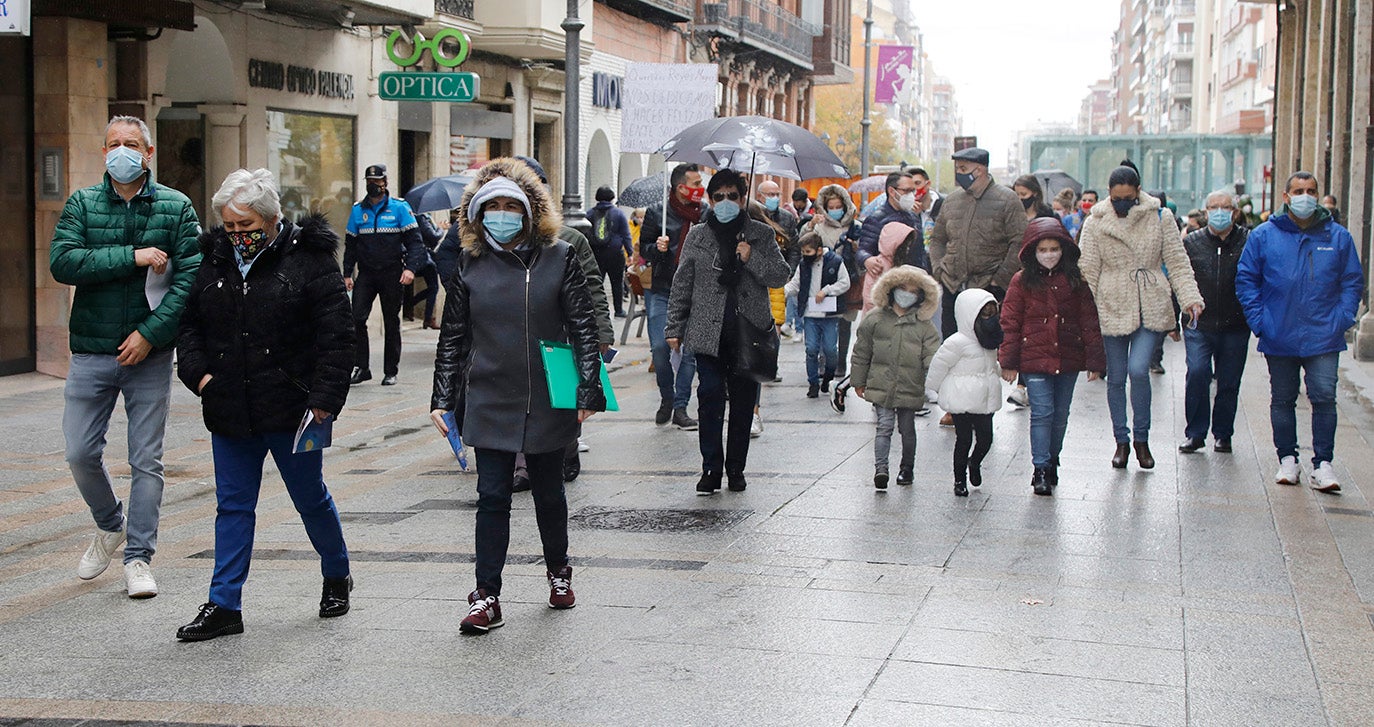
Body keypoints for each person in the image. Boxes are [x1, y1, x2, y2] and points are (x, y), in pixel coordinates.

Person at [173, 169, 354, 641]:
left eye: (247, 227)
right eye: (230, 228)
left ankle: (337, 573)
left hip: (292, 406)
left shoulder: (311, 261)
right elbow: (189, 324)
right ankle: (223, 604)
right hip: (230, 402)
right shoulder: (212, 258)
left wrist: (325, 399)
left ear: (273, 219)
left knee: (309, 497)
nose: (237, 237)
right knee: (233, 506)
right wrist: (201, 376)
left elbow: (336, 336)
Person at [429, 158, 606, 634]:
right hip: (489, 393)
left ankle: (559, 574)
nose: (503, 214)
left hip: (549, 393)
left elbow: (584, 325)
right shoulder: (470, 264)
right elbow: (453, 337)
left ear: (530, 212)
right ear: (478, 213)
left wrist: (588, 387)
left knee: (549, 493)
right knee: (492, 497)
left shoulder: (559, 256)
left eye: (512, 206)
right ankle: (487, 595)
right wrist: (441, 398)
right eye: (494, 207)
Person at [49, 115, 201, 599]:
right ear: (103, 152)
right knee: (79, 452)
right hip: (92, 349)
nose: (122, 151)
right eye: (113, 143)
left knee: (146, 461)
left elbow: (188, 281)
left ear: (148, 153)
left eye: (131, 144)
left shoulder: (176, 207)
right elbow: (64, 261)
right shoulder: (82, 203)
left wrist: (150, 336)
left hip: (149, 355)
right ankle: (109, 524)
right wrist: (133, 255)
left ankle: (139, 557)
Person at [1236, 171, 1363, 493]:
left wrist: (1344, 317)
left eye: (1310, 190)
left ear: (1318, 195)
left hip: (1324, 334)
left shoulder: (1337, 237)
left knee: (1323, 398)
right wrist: (1260, 320)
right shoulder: (1265, 235)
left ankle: (1322, 463)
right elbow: (1247, 279)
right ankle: (1287, 458)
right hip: (1279, 332)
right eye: (1298, 191)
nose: (1305, 196)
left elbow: (1352, 282)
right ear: (1286, 195)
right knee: (1282, 399)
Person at [665, 169, 789, 495]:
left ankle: (736, 469)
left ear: (743, 198)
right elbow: (682, 285)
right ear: (710, 199)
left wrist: (751, 257)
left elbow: (779, 275)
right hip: (708, 334)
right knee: (709, 399)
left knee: (743, 404)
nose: (725, 202)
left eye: (732, 196)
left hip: (749, 334)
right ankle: (710, 468)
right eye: (718, 196)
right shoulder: (697, 235)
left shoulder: (759, 233)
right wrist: (674, 327)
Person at [1079, 166, 1204, 470]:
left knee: (1139, 370)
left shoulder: (1160, 217)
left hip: (1150, 301)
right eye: (1115, 197)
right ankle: (1121, 440)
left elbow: (1176, 261)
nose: (1121, 202)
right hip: (1111, 302)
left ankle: (1142, 439)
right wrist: (1084, 315)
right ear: (1109, 194)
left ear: (1137, 192)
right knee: (1116, 376)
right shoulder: (1096, 222)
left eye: (1127, 197)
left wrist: (1189, 298)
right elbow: (1088, 270)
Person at [510, 155, 614, 484]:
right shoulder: (494, 242)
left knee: (562, 398)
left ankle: (566, 448)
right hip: (512, 336)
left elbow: (592, 287)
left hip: (559, 334)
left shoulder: (571, 239)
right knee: (518, 398)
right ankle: (521, 466)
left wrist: (601, 331)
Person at [998, 218, 1106, 496]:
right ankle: (1041, 468)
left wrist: (1095, 361)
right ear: (1033, 251)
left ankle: (1052, 458)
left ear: (1064, 249)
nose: (1049, 254)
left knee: (1060, 415)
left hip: (1068, 357)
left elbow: (1089, 321)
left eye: (1054, 248)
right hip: (1033, 358)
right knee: (1042, 413)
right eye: (1043, 249)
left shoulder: (1076, 281)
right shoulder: (1021, 281)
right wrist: (1008, 361)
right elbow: (1010, 321)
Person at [928, 147, 1027, 426]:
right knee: (952, 345)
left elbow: (1018, 242)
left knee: (984, 349)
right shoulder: (952, 202)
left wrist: (999, 282)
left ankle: (981, 407)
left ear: (979, 170)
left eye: (963, 169)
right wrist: (938, 267)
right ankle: (954, 408)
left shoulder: (1007, 200)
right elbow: (937, 239)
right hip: (952, 285)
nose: (959, 175)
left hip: (987, 289)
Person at [850, 265, 942, 490]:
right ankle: (881, 469)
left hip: (910, 385)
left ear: (920, 295)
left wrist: (936, 379)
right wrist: (858, 380)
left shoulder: (924, 326)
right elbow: (862, 352)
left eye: (913, 290)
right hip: (881, 383)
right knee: (883, 427)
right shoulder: (874, 319)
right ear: (890, 289)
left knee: (907, 429)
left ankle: (906, 468)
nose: (907, 293)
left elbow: (934, 355)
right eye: (902, 288)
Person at [1178, 190, 1252, 456]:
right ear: (1206, 211)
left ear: (1234, 212)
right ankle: (1195, 433)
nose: (1219, 212)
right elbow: (1180, 277)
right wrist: (1176, 319)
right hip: (1200, 324)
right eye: (1214, 207)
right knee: (1197, 373)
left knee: (1229, 381)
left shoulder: (1248, 240)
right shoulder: (1192, 242)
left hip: (1236, 324)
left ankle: (1223, 433)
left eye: (1225, 207)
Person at [343, 164, 427, 386]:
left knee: (391, 321)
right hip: (367, 274)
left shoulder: (400, 208)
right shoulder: (357, 210)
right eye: (370, 182)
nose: (374, 185)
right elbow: (350, 245)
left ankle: (391, 370)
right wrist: (346, 273)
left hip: (392, 273)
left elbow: (416, 244)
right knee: (357, 318)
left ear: (385, 182)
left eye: (377, 181)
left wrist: (410, 269)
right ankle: (362, 367)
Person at [642, 164, 706, 430]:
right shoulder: (658, 213)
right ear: (681, 187)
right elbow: (644, 249)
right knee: (660, 347)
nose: (700, 188)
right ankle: (666, 397)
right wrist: (657, 248)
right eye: (695, 183)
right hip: (662, 290)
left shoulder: (704, 214)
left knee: (689, 352)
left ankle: (681, 407)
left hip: (694, 291)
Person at [926, 289, 1004, 496]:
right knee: (963, 440)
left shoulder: (990, 339)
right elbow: (939, 365)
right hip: (961, 397)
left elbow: (990, 364)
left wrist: (997, 373)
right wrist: (931, 388)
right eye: (984, 314)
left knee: (986, 438)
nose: (989, 319)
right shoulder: (956, 342)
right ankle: (959, 480)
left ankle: (974, 463)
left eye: (992, 314)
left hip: (985, 398)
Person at [806, 184, 863, 375]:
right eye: (831, 206)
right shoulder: (819, 228)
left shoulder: (856, 227)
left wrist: (856, 248)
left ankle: (841, 363)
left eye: (839, 206)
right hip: (824, 281)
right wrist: (810, 225)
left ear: (846, 205)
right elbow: (804, 246)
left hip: (850, 281)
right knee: (824, 321)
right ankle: (824, 361)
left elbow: (865, 252)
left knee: (845, 323)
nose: (836, 210)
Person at [785, 233, 851, 398]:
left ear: (819, 250)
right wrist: (782, 291)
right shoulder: (803, 265)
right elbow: (796, 283)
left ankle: (828, 375)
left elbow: (845, 282)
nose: (805, 256)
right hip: (810, 313)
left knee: (830, 349)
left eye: (808, 252)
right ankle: (813, 382)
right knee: (811, 349)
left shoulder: (835, 262)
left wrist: (827, 290)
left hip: (829, 313)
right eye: (803, 252)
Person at [586, 186, 634, 318]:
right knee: (617, 283)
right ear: (612, 197)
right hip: (615, 254)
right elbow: (626, 235)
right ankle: (618, 310)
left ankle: (593, 310)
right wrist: (630, 253)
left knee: (596, 282)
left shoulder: (589, 213)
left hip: (596, 253)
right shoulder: (618, 213)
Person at [862, 222, 917, 313]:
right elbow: (869, 298)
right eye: (904, 246)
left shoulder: (901, 265)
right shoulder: (878, 265)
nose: (907, 249)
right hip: (876, 320)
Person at [402, 211, 441, 329]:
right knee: (433, 287)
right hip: (424, 258)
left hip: (422, 257)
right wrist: (441, 229)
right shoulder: (422, 217)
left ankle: (409, 306)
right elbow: (433, 236)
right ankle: (426, 318)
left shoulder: (422, 217)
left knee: (430, 287)